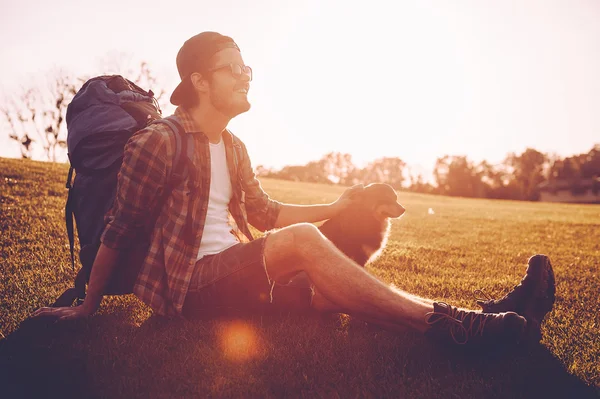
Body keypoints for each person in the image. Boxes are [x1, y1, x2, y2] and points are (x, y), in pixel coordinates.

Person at [32, 32, 555, 346]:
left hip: (237, 271)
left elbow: (263, 211)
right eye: (233, 69)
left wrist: (339, 204)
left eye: (248, 68)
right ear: (199, 81)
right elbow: (118, 228)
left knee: (334, 289)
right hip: (188, 288)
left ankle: (488, 315)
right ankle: (458, 330)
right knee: (307, 244)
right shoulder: (159, 142)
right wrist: (87, 304)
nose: (246, 77)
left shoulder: (232, 146)